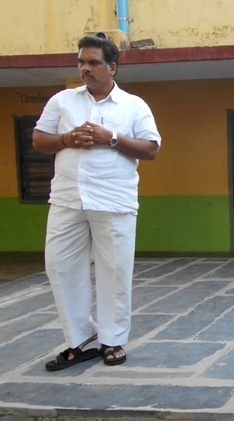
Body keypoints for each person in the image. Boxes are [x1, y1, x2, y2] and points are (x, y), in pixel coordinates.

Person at [33, 35, 161, 370]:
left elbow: (151, 148)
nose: (85, 68)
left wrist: (112, 139)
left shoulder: (133, 105)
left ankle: (112, 340)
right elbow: (39, 140)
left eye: (93, 62)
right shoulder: (62, 101)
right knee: (59, 266)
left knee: (114, 271)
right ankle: (79, 339)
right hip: (67, 198)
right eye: (81, 62)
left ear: (112, 67)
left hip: (114, 200)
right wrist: (66, 139)